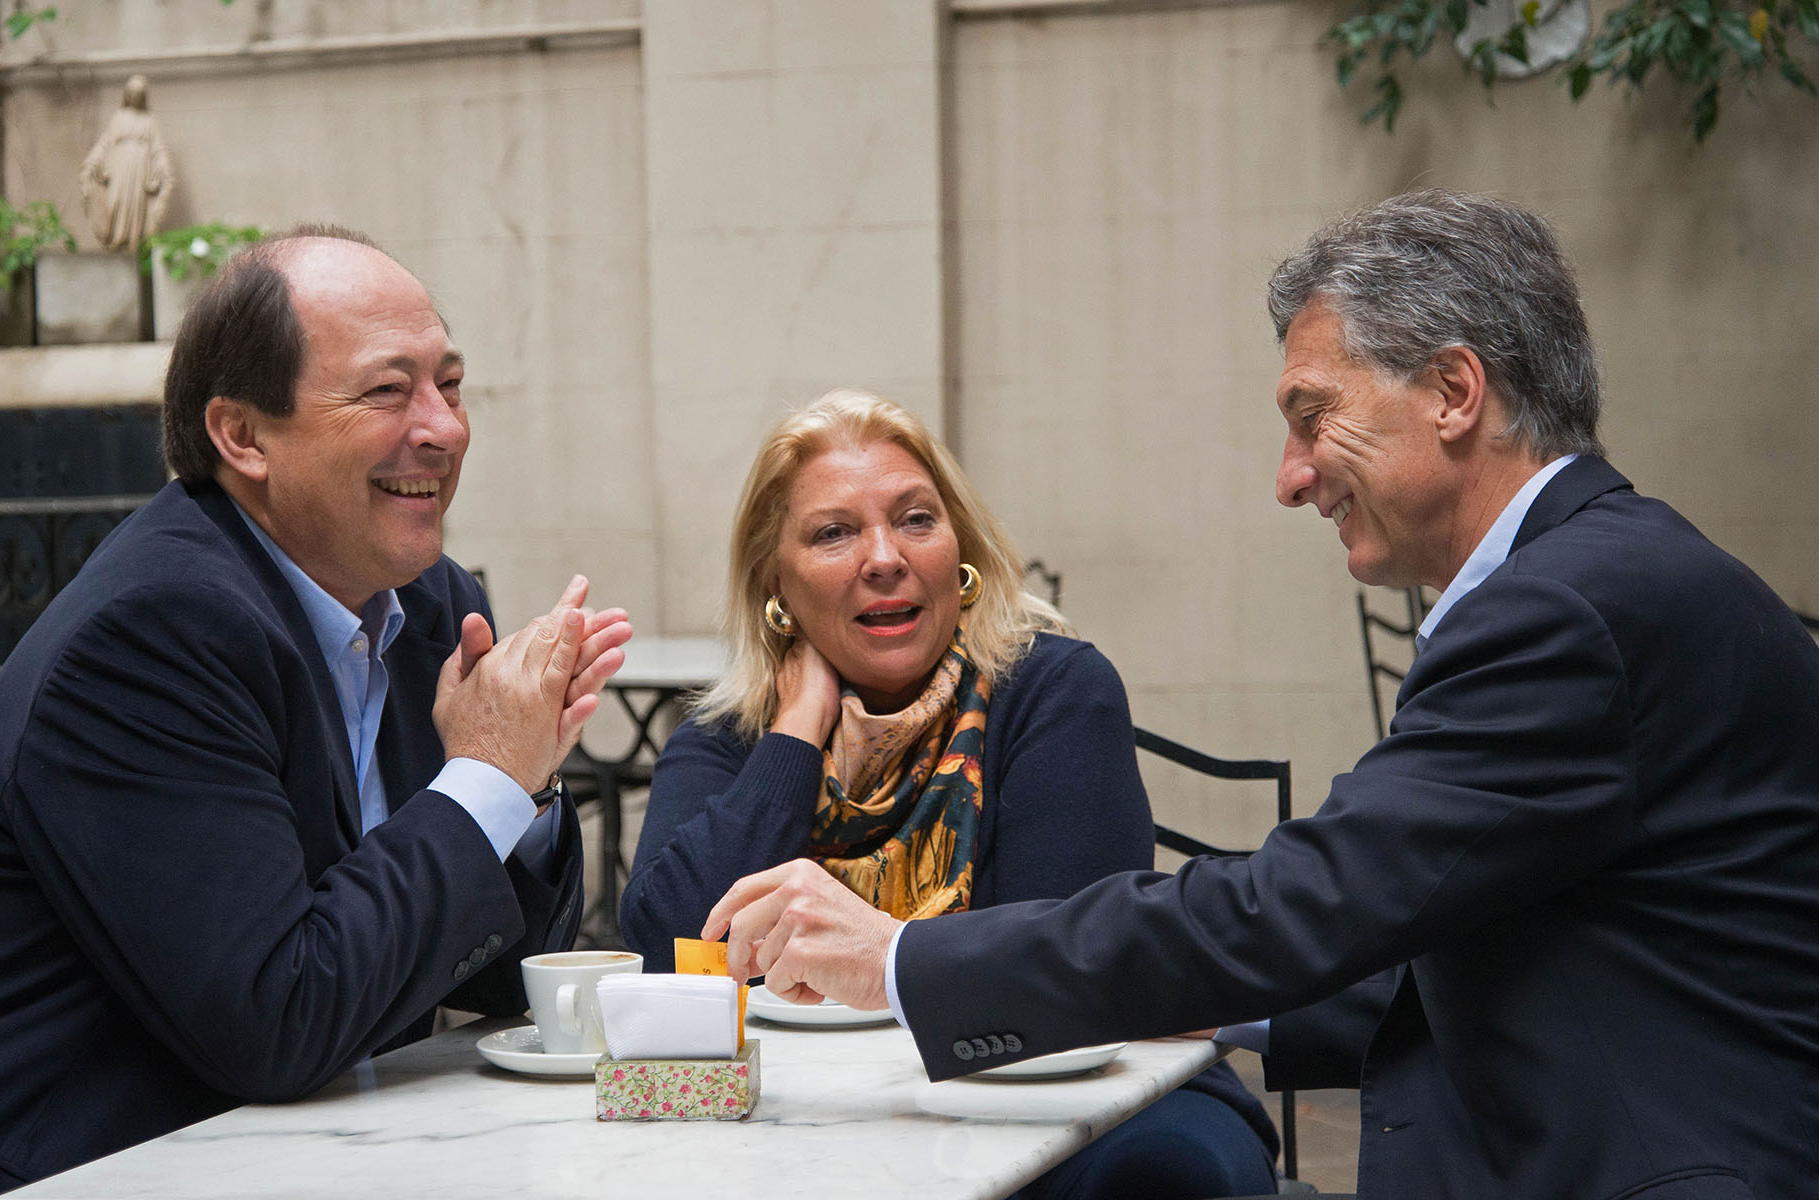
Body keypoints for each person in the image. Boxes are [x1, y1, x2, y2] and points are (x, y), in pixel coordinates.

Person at [703, 192, 1819, 1199]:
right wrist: (1224, 1004)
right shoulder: (1597, 577)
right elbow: (1481, 942)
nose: (1289, 477)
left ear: (1452, 392)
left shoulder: (1564, 610)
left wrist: (897, 959)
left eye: (1311, 414)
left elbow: (1307, 901)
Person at [0, 227, 631, 1200]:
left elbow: (492, 980)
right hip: (57, 1168)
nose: (443, 428)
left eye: (448, 385)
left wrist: (520, 788)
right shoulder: (156, 633)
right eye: (387, 390)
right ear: (242, 436)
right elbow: (278, 1021)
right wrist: (489, 776)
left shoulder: (424, 599)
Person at [622, 389, 1278, 1198]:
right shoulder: (734, 738)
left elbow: (1065, 973)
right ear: (777, 588)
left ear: (958, 551)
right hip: (806, 1109)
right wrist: (797, 731)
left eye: (915, 519)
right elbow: (669, 952)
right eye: (834, 533)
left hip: (1069, 1100)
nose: (884, 557)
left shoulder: (1051, 690)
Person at [79, 74, 173, 252]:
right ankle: (114, 241)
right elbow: (105, 143)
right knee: (114, 204)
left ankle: (132, 244)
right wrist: (92, 163)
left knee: (136, 210)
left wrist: (164, 169)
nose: (135, 96)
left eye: (139, 93)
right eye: (132, 93)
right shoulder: (118, 117)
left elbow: (158, 148)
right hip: (119, 170)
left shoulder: (149, 120)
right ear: (127, 95)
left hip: (139, 170)